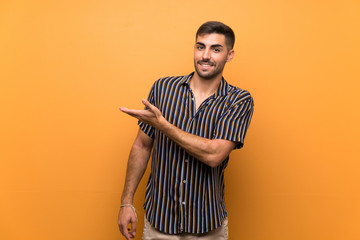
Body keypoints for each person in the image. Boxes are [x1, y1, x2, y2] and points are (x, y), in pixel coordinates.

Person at [118, 21, 254, 240]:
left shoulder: (238, 100)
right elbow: (141, 146)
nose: (205, 55)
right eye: (200, 47)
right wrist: (126, 202)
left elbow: (214, 155)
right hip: (159, 222)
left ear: (229, 55)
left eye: (215, 49)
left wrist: (163, 125)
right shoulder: (163, 89)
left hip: (208, 226)